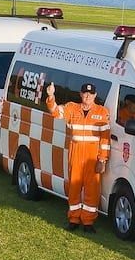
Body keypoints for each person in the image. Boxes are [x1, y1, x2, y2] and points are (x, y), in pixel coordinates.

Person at [46, 81, 111, 232]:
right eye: (85, 93)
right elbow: (55, 112)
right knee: (74, 187)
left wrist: (102, 159)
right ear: (80, 94)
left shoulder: (102, 112)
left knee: (92, 189)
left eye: (91, 94)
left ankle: (88, 222)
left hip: (92, 157)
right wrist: (51, 96)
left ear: (95, 95)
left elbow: (105, 139)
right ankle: (74, 219)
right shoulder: (71, 108)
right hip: (75, 154)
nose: (87, 96)